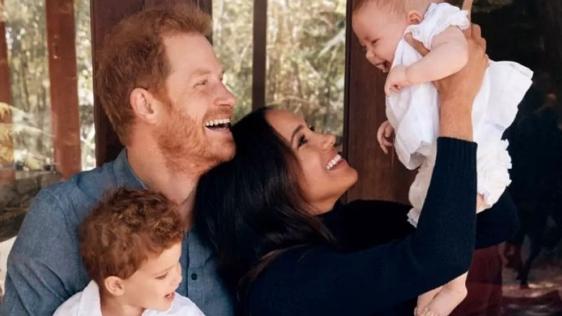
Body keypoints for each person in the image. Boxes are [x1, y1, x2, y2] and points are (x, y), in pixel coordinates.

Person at [194, 24, 519, 316]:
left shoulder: (354, 222)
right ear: (265, 183)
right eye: (303, 141)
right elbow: (440, 257)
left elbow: (492, 222)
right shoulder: (282, 286)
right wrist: (456, 103)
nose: (328, 139)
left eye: (312, 128)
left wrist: (438, 117)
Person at [1, 4, 235, 315]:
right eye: (202, 84)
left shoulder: (238, 206)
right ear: (146, 105)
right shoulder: (61, 218)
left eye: (221, 79)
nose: (229, 98)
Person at [351, 0, 532, 314]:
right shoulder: (408, 58)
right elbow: (423, 106)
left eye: (374, 41)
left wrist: (410, 73)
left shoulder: (436, 25)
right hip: (443, 156)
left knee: (453, 221)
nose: (369, 54)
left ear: (411, 19)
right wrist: (393, 125)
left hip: (474, 151)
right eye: (363, 46)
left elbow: (457, 55)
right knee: (434, 228)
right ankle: (429, 298)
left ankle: (455, 286)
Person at [54, 188, 204, 316]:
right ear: (117, 285)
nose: (178, 278)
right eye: (162, 275)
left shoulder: (183, 312)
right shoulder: (72, 313)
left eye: (176, 263)